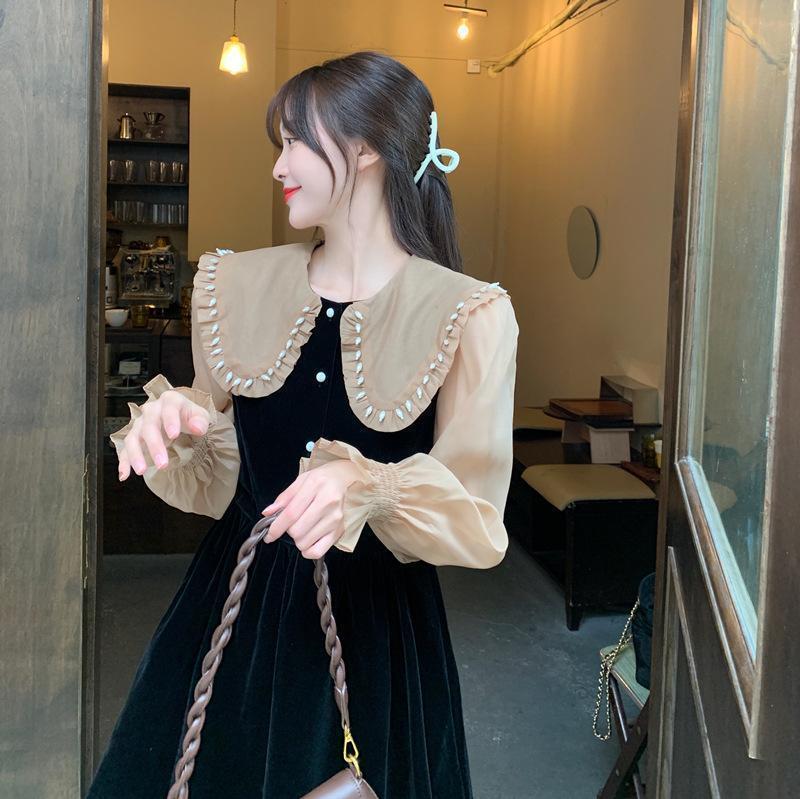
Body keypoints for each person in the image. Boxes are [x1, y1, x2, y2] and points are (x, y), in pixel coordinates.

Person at [87, 50, 519, 799]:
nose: (278, 165)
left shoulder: (467, 312)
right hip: (235, 608)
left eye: (294, 141)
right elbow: (221, 466)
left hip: (379, 631)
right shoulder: (237, 283)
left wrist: (371, 487)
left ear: (367, 147)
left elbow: (475, 515)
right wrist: (181, 420)